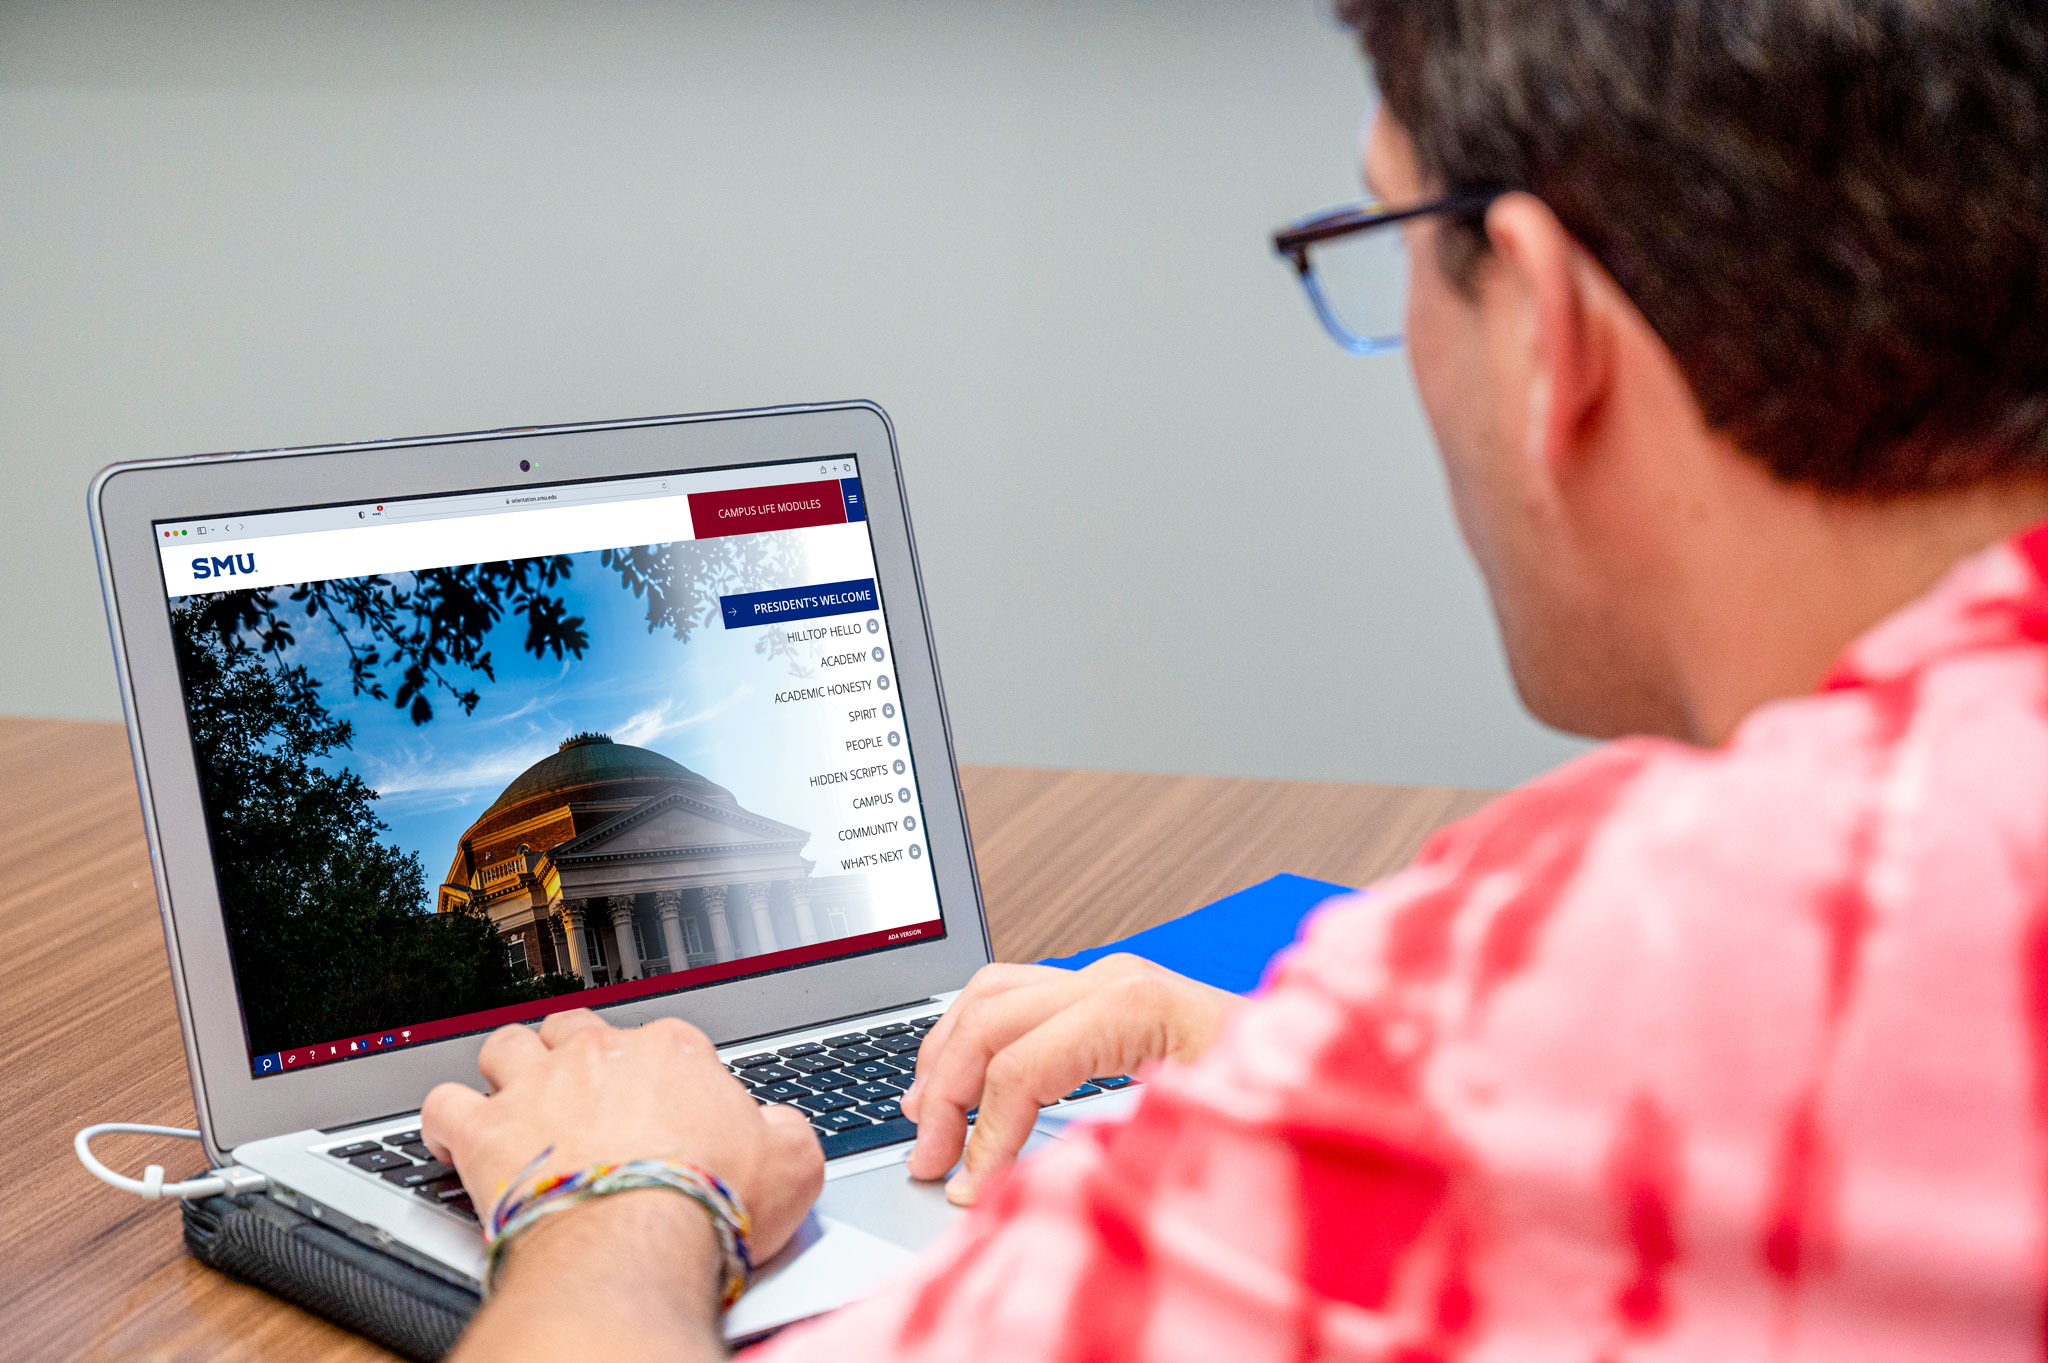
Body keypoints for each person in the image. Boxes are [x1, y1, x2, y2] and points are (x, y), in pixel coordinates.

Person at [422, 2, 2048, 1358]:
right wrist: (1321, 1071)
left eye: (1390, 234)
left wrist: (617, 1190)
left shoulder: (1644, 958)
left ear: (1549, 329)